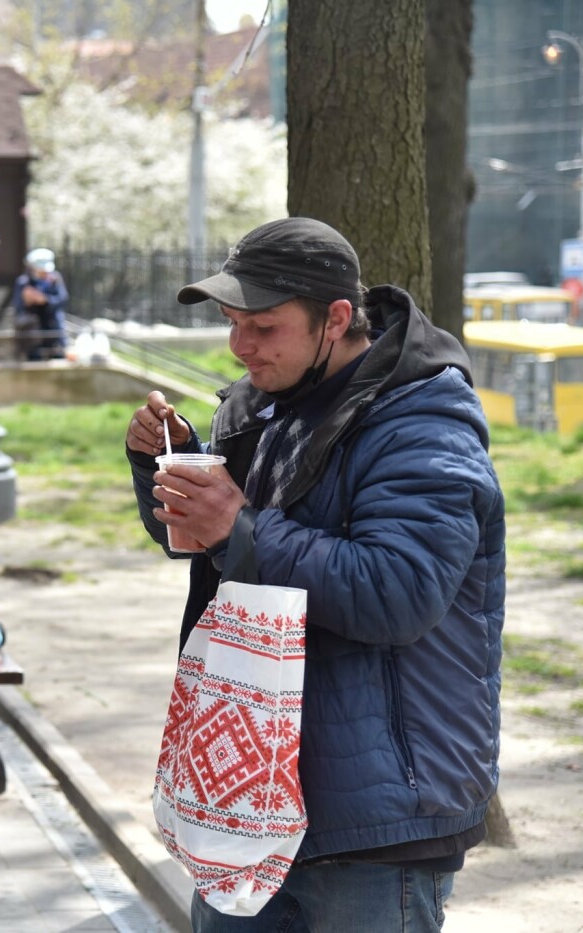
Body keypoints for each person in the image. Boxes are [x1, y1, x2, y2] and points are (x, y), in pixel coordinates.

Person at [124, 217, 505, 931]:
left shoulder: (423, 419)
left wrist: (239, 526)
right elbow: (221, 554)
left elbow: (398, 593)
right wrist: (170, 471)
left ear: (335, 319)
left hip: (376, 815)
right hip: (245, 792)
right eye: (233, 322)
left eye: (263, 326)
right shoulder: (258, 404)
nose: (240, 345)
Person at [13, 247, 68, 361]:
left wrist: (45, 300)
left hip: (53, 329)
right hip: (33, 333)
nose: (44, 273)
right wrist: (27, 301)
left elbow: (62, 299)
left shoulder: (55, 279)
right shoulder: (24, 282)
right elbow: (18, 308)